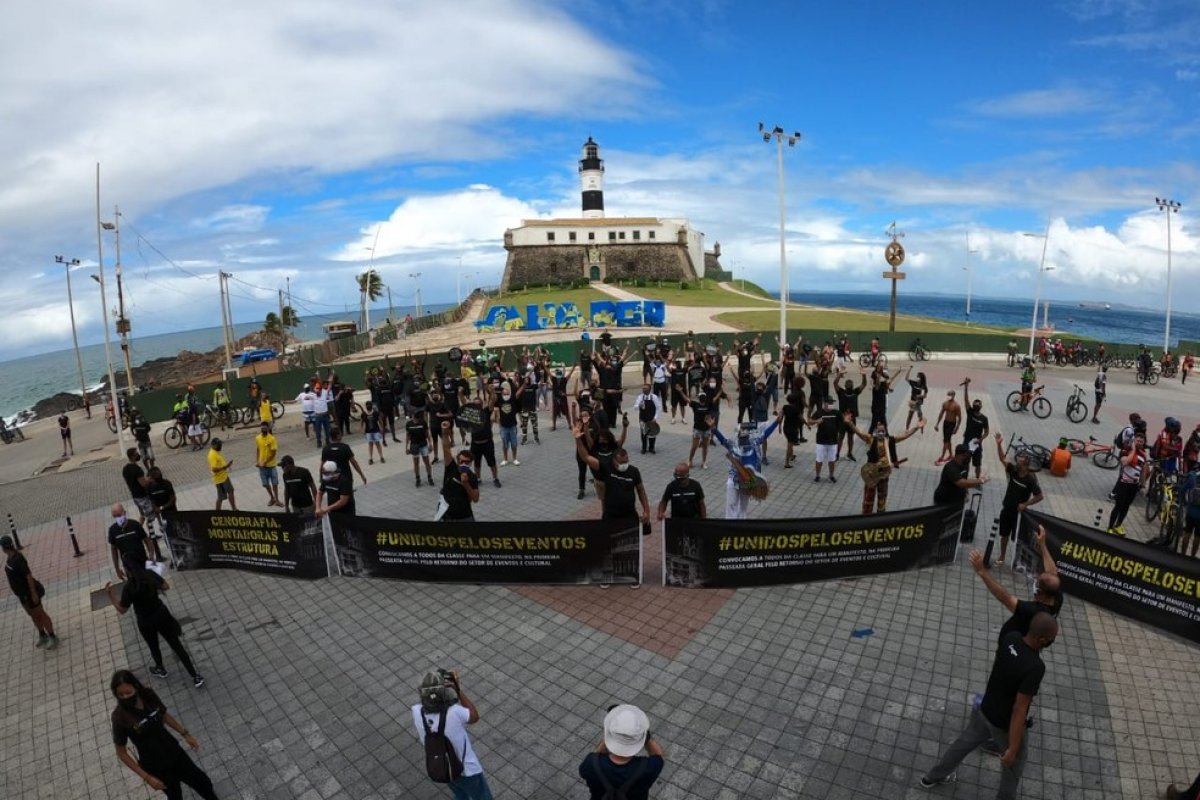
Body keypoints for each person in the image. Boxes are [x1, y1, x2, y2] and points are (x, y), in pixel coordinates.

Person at [918, 612, 1058, 797]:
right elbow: (1019, 708)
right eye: (1052, 639)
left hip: (985, 707)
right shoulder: (1035, 667)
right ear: (1042, 640)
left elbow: (997, 666)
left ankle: (932, 777)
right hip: (1003, 724)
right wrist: (1013, 748)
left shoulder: (1011, 638)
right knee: (1013, 768)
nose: (1052, 641)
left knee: (964, 743)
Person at [109, 669, 218, 799]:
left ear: (136, 687)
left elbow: (164, 715)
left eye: (128, 692)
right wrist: (147, 777)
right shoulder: (119, 717)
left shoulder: (148, 695)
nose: (125, 697)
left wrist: (185, 734)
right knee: (175, 796)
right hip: (156, 767)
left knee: (203, 783)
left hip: (175, 753)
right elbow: (122, 753)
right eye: (120, 695)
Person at [105, 559, 204, 687]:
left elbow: (122, 610)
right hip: (161, 614)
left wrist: (110, 595)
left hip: (145, 621)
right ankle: (194, 675)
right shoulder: (150, 575)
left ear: (127, 571)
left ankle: (160, 668)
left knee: (154, 646)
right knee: (176, 645)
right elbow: (166, 586)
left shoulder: (129, 588)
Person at [970, 526, 1063, 644]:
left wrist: (982, 571)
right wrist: (1042, 544)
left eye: (1038, 582)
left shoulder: (1031, 610)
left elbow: (1005, 597)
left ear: (1040, 593)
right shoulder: (1056, 597)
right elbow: (1052, 573)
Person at [412, 669, 493, 800]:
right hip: (467, 769)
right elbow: (474, 716)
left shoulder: (417, 711)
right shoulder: (455, 712)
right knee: (482, 797)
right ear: (443, 691)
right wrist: (458, 690)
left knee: (460, 795)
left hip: (444, 767)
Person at [578, 704, 666, 800]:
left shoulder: (591, 763)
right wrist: (645, 735)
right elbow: (658, 755)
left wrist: (609, 733)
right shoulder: (649, 768)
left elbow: (596, 755)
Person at [574, 423, 651, 529]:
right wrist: (578, 439)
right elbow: (586, 457)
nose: (624, 465)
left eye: (626, 462)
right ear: (613, 460)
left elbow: (641, 491)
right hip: (611, 516)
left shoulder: (634, 471)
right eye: (621, 462)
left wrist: (646, 510)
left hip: (630, 515)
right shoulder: (605, 468)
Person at [843, 414, 923, 515]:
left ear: (885, 432)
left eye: (883, 431)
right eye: (879, 431)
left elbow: (904, 436)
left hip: (884, 475)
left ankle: (880, 517)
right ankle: (866, 516)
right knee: (868, 498)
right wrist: (850, 423)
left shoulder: (890, 441)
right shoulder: (871, 439)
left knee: (882, 498)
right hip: (871, 474)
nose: (881, 433)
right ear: (875, 431)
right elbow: (859, 433)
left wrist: (916, 427)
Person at [991, 433, 1046, 567]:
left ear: (1025, 465)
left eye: (1019, 460)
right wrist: (998, 444)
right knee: (1004, 534)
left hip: (1018, 514)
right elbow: (1001, 458)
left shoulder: (1030, 480)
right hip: (1007, 509)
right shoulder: (1014, 471)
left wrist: (1025, 504)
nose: (1017, 461)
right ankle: (1002, 556)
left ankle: (1017, 561)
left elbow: (1040, 496)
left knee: (1017, 539)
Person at [710, 416, 779, 520]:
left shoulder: (754, 443)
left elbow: (765, 434)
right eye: (740, 436)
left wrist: (776, 422)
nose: (742, 439)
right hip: (734, 479)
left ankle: (740, 529)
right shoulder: (733, 444)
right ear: (738, 436)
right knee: (731, 506)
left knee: (743, 509)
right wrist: (713, 428)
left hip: (749, 481)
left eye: (744, 437)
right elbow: (722, 439)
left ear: (748, 437)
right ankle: (729, 529)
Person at [2, 534, 58, 649]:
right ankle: (42, 634)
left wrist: (33, 593)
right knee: (32, 614)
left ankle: (52, 636)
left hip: (29, 593)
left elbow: (28, 576)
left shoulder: (18, 559)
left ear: (3, 548)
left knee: (40, 614)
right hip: (22, 595)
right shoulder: (10, 558)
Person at [1107, 431, 1148, 535]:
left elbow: (1143, 471)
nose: (1140, 443)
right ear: (1134, 441)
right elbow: (1125, 462)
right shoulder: (1126, 450)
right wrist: (1133, 450)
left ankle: (1118, 525)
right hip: (1123, 484)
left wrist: (1143, 485)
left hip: (1133, 486)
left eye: (1142, 442)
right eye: (1138, 441)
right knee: (1118, 506)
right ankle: (1110, 527)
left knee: (1126, 507)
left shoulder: (1143, 455)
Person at [109, 503, 154, 581]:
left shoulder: (135, 525)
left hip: (142, 562)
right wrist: (117, 569)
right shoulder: (113, 530)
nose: (118, 518)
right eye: (115, 516)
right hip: (129, 568)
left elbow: (147, 540)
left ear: (124, 513)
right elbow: (114, 550)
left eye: (119, 515)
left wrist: (151, 556)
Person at [806, 395, 842, 483]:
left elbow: (843, 421)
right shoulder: (819, 412)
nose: (830, 404)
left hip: (833, 441)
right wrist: (816, 421)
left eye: (831, 403)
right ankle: (817, 475)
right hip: (821, 441)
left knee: (832, 460)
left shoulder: (837, 413)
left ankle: (831, 475)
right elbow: (809, 422)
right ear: (824, 404)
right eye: (829, 403)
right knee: (819, 459)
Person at [439, 449, 482, 521]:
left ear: (470, 463)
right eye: (462, 461)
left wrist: (466, 484)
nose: (464, 464)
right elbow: (446, 449)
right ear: (458, 461)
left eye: (467, 462)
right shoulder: (451, 469)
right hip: (447, 514)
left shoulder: (472, 477)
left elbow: (475, 499)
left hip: (464, 515)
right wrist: (445, 437)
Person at [960, 379, 990, 479]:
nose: (976, 405)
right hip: (967, 441)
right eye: (975, 404)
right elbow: (966, 400)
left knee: (978, 464)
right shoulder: (970, 412)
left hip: (977, 444)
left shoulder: (984, 418)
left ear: (981, 406)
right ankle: (964, 479)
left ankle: (977, 480)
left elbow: (987, 431)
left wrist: (981, 439)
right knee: (965, 462)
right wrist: (966, 387)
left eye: (978, 404)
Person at [836, 369, 867, 461]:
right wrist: (839, 375)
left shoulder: (855, 392)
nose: (849, 384)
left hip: (852, 419)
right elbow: (834, 383)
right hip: (842, 418)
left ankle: (849, 453)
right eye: (847, 383)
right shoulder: (841, 392)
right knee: (840, 437)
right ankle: (837, 454)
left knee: (850, 436)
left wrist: (864, 375)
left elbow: (864, 384)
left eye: (850, 383)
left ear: (852, 385)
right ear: (845, 385)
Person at [123, 447, 154, 525]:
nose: (138, 455)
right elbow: (143, 484)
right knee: (151, 516)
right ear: (133, 456)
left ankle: (141, 529)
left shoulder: (125, 469)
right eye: (136, 454)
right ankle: (150, 533)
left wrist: (145, 479)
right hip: (142, 496)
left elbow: (133, 481)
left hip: (135, 496)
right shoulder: (137, 469)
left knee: (143, 516)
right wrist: (150, 479)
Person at [255, 421, 281, 507]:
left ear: (268, 428)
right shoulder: (258, 438)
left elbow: (273, 453)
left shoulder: (272, 439)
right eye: (262, 427)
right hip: (262, 467)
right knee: (265, 484)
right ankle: (272, 498)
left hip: (271, 465)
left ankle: (277, 500)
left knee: (275, 483)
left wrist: (264, 462)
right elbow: (258, 449)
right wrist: (258, 461)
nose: (263, 428)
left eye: (265, 427)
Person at [407, 409, 435, 488]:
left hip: (423, 445)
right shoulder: (409, 424)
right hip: (414, 446)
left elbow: (427, 434)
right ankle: (418, 478)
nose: (414, 417)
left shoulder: (423, 423)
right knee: (416, 463)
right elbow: (408, 436)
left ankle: (429, 477)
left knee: (427, 462)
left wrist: (430, 444)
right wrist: (407, 447)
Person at [934, 390, 963, 465]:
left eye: (950, 394)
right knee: (947, 440)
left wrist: (957, 428)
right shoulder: (945, 403)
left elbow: (959, 418)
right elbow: (941, 413)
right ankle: (951, 455)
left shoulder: (956, 406)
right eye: (948, 394)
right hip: (945, 423)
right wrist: (937, 424)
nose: (949, 396)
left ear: (954, 395)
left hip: (952, 424)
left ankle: (942, 457)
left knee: (946, 441)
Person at [633, 383, 663, 455]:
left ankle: (651, 448)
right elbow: (635, 407)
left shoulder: (654, 397)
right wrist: (639, 405)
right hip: (643, 418)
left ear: (649, 389)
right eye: (643, 388)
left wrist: (655, 418)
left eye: (645, 388)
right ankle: (644, 448)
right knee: (643, 433)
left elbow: (658, 408)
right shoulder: (640, 397)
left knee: (652, 433)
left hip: (651, 418)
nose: (644, 390)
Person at [207, 438, 236, 512]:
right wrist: (225, 467)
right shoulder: (212, 455)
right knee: (230, 492)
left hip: (220, 478)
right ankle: (234, 509)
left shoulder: (216, 451)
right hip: (221, 478)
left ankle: (218, 513)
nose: (220, 446)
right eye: (219, 444)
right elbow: (214, 469)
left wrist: (227, 466)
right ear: (213, 445)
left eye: (220, 444)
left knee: (221, 497)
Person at [779, 391, 805, 469]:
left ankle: (792, 455)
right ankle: (787, 462)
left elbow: (780, 417)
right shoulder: (797, 409)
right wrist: (807, 424)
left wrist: (779, 427)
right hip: (793, 428)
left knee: (790, 442)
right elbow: (802, 418)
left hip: (786, 428)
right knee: (790, 444)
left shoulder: (785, 407)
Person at [363, 400, 385, 465]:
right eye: (367, 405)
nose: (368, 406)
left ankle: (381, 457)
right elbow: (363, 422)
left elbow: (380, 421)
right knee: (370, 445)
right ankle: (370, 458)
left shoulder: (376, 413)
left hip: (375, 430)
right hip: (368, 431)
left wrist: (381, 428)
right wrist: (363, 430)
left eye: (369, 405)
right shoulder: (364, 414)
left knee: (377, 443)